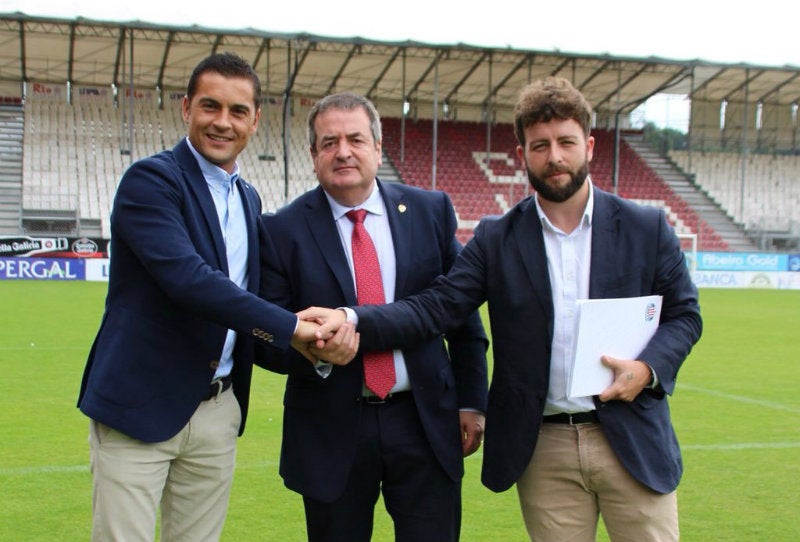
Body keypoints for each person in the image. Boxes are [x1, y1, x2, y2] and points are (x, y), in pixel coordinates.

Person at [301, 77, 703, 541]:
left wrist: (649, 369)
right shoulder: (497, 238)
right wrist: (353, 317)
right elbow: (437, 308)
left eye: (566, 142)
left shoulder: (645, 226)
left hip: (631, 438)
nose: (554, 156)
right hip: (544, 446)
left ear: (589, 146)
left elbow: (685, 316)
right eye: (540, 145)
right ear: (522, 155)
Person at [77, 52, 328, 542]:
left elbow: (247, 296)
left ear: (255, 120)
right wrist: (292, 327)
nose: (222, 122)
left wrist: (316, 339)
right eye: (210, 106)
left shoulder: (249, 198)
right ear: (186, 108)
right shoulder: (151, 181)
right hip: (139, 403)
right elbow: (189, 280)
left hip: (217, 409)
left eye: (237, 111)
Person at [257, 92, 489, 542]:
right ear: (313, 155)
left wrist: (472, 401)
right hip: (331, 428)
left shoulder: (431, 211)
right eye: (329, 142)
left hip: (424, 420)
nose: (343, 151)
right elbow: (266, 337)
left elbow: (461, 317)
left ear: (378, 149)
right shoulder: (281, 230)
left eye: (355, 139)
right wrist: (316, 353)